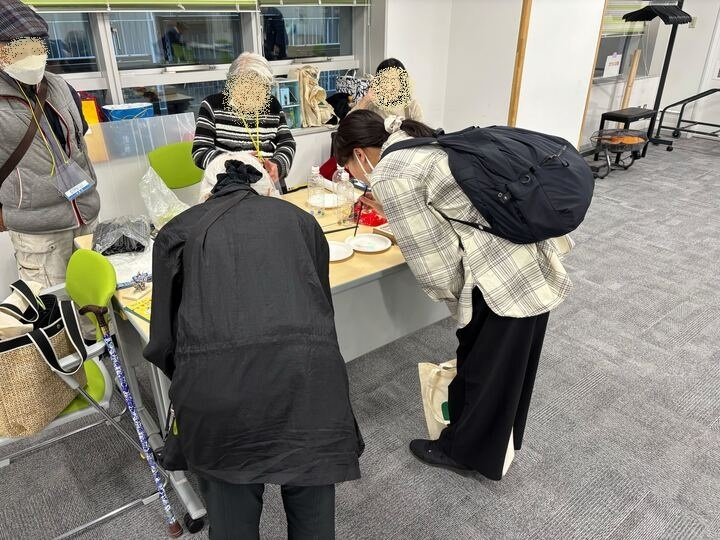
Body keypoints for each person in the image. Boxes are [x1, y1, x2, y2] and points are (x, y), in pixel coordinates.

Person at [333, 110, 573, 481]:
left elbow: (436, 267)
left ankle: (463, 453)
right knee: (506, 369)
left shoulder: (390, 171)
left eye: (350, 168)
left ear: (360, 153)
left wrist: (455, 302)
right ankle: (487, 444)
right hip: (527, 259)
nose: (356, 176)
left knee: (485, 371)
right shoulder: (416, 142)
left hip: (498, 279)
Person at [144, 158, 363, 540]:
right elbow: (320, 311)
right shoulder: (302, 221)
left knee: (232, 521)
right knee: (312, 512)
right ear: (264, 190)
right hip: (308, 383)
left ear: (206, 194)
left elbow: (163, 341)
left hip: (219, 395)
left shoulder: (176, 231)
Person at [0, 0, 99, 289]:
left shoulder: (60, 87)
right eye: (19, 49)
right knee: (53, 306)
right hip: (39, 232)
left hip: (86, 216)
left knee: (97, 299)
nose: (30, 57)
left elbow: (79, 140)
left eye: (36, 47)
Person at [192, 52, 296, 193]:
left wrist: (278, 165)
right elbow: (200, 152)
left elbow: (287, 142)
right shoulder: (212, 105)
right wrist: (237, 162)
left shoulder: (272, 104)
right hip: (228, 186)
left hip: (267, 184)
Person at [355, 58, 423, 121]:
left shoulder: (412, 107)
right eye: (384, 79)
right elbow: (350, 123)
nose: (389, 85)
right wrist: (365, 100)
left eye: (393, 79)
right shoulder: (372, 106)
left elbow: (421, 130)